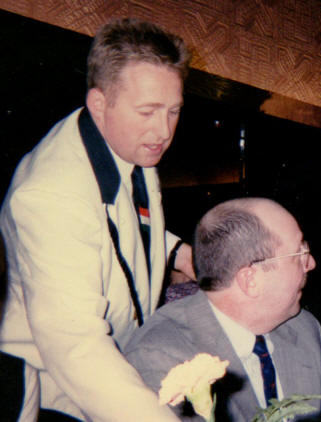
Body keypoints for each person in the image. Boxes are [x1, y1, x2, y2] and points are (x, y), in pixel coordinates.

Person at [0, 18, 195, 421]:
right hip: (53, 392)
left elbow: (120, 221)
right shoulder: (52, 195)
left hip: (108, 371)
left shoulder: (127, 142)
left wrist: (177, 252)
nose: (163, 131)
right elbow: (76, 347)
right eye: (148, 111)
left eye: (174, 111)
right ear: (99, 104)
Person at [124, 197, 321, 421]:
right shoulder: (161, 359)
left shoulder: (304, 328)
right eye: (299, 254)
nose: (311, 264)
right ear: (250, 280)